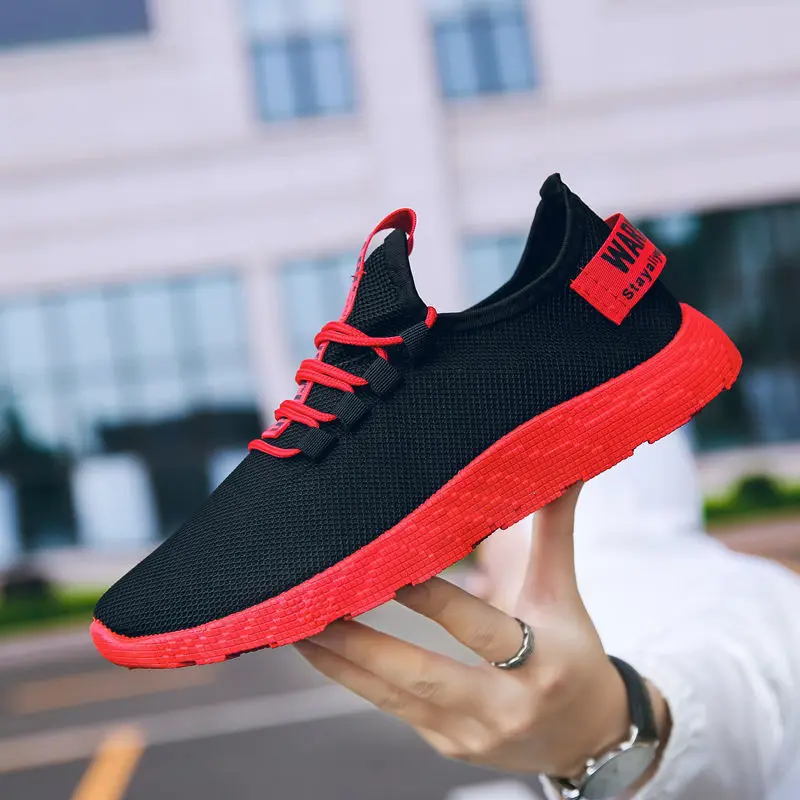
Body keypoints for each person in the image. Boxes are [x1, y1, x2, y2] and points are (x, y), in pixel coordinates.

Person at [295, 428, 800, 798]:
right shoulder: (753, 583)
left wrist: (611, 729)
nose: (480, 584)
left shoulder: (653, 611)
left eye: (483, 550)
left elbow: (736, 685)